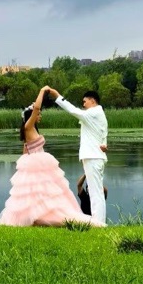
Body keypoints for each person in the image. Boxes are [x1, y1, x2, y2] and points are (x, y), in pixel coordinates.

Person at [0, 87, 101, 227]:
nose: (39, 116)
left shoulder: (32, 130)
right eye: (38, 114)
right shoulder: (28, 126)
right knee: (35, 192)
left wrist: (24, 164)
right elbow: (37, 108)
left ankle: (41, 215)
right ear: (31, 116)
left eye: (39, 114)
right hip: (36, 163)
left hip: (39, 161)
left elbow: (26, 149)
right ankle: (36, 218)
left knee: (45, 192)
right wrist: (42, 91)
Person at [47, 87, 109, 225]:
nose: (83, 104)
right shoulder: (98, 114)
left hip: (93, 157)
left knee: (95, 193)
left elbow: (73, 111)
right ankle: (99, 222)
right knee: (96, 191)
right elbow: (103, 133)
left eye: (85, 101)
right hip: (94, 156)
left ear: (92, 100)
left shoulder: (94, 112)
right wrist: (104, 144)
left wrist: (58, 96)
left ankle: (98, 223)